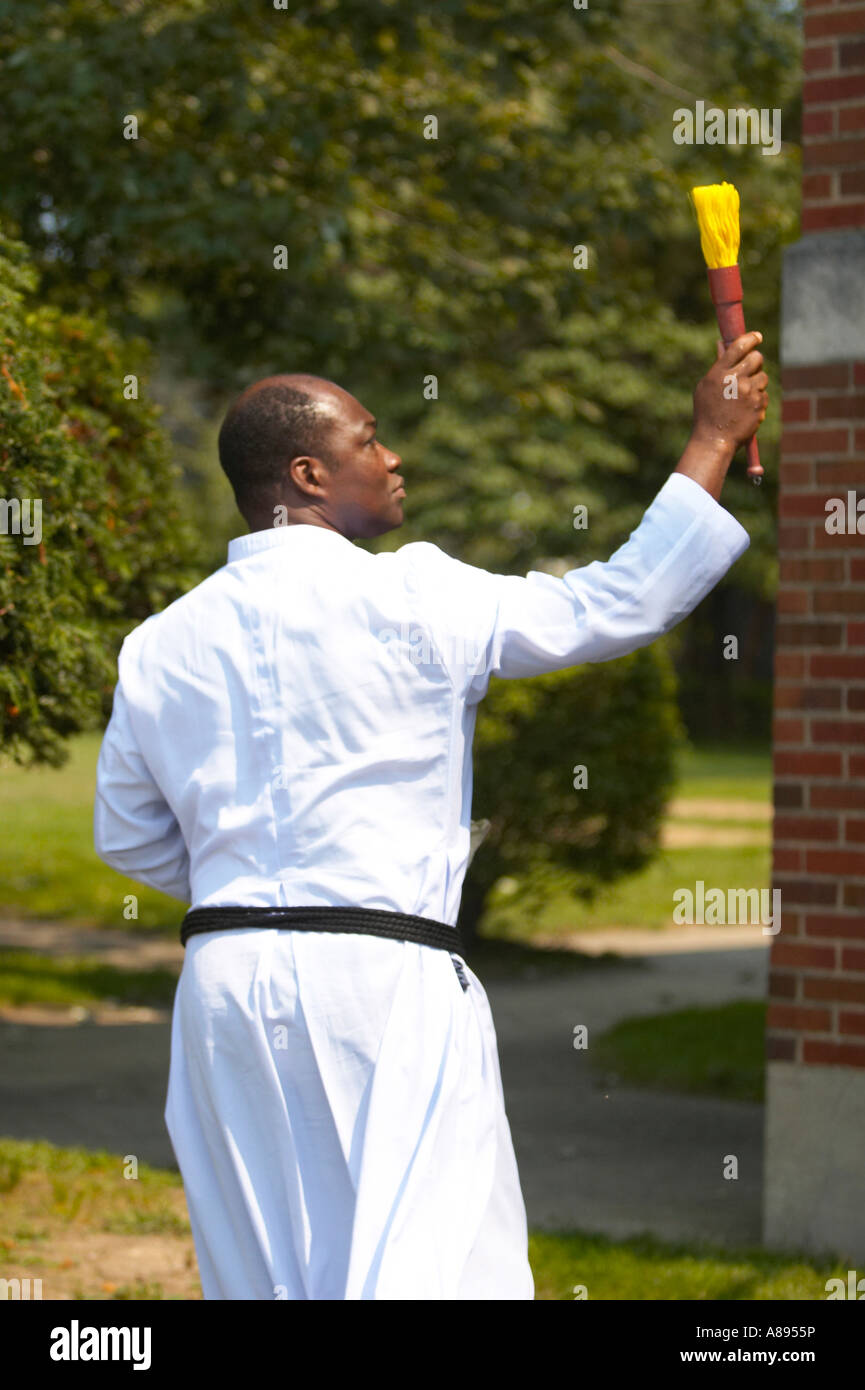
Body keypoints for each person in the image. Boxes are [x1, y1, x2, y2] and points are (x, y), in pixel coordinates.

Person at [93, 332, 768, 1300]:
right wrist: (710, 437)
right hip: (382, 978)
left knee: (265, 1272)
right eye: (370, 441)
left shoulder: (161, 640)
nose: (392, 456)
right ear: (308, 474)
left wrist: (257, 886)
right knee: (437, 1270)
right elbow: (617, 601)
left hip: (224, 985)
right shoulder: (414, 590)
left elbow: (126, 834)